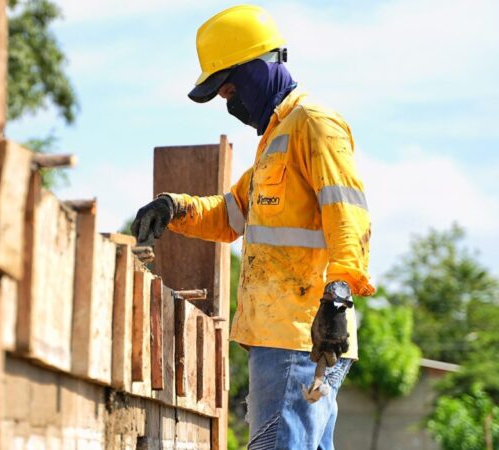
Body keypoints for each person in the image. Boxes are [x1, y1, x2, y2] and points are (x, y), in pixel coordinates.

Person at [130, 5, 375, 449]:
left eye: (229, 88)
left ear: (259, 67)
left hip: (300, 333)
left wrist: (338, 298)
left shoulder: (313, 124)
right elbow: (231, 216)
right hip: (286, 335)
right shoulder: (276, 141)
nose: (230, 102)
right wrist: (174, 207)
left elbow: (348, 212)